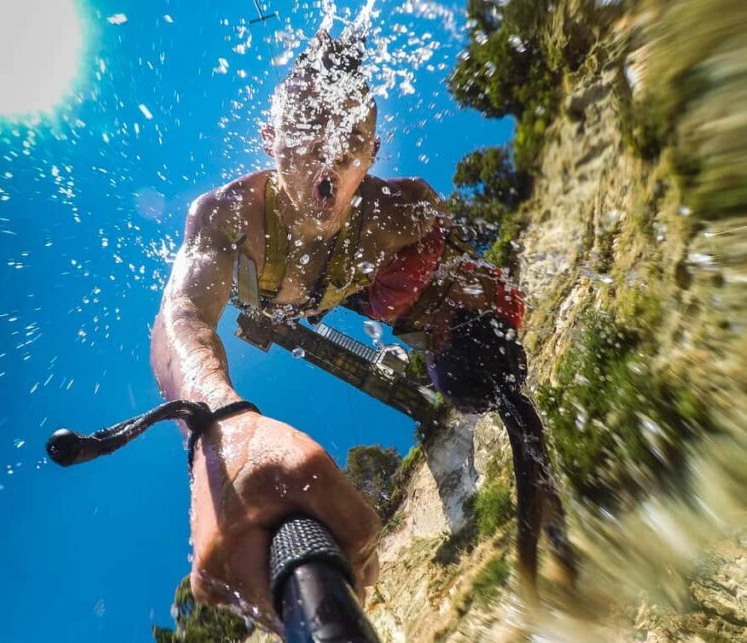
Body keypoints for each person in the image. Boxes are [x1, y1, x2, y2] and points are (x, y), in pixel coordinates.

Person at [150, 29, 572, 629]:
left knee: (480, 370)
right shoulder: (227, 217)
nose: (328, 152)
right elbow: (181, 317)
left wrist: (465, 298)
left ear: (371, 150)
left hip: (382, 286)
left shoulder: (400, 211)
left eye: (348, 137)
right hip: (295, 297)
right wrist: (220, 420)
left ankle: (549, 543)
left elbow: (457, 244)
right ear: (270, 140)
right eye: (304, 129)